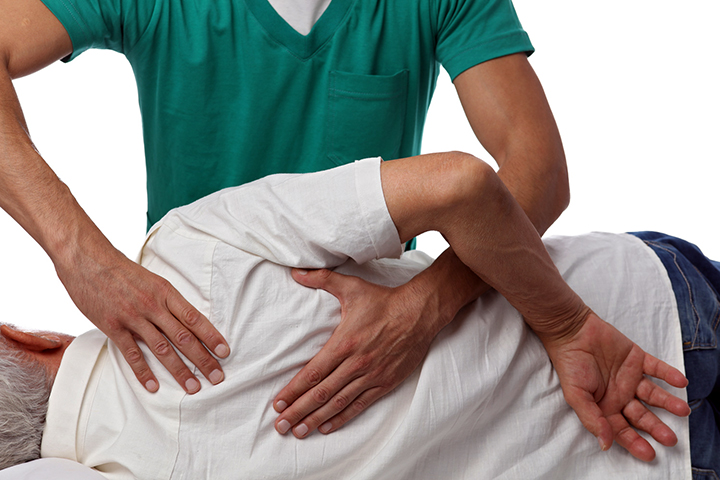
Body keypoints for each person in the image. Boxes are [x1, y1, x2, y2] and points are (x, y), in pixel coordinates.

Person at [0, 0, 571, 426]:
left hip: (373, 358)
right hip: (201, 356)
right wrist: (81, 256)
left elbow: (539, 170)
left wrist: (426, 306)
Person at [1, 153, 714, 479]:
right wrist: (564, 325)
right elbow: (462, 186)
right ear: (23, 337)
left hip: (646, 453)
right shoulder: (186, 253)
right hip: (639, 307)